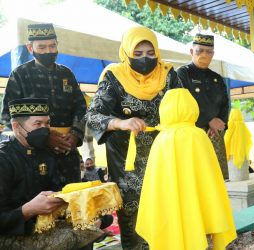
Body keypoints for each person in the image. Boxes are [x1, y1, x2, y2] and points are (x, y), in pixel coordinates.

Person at [86, 26, 182, 249]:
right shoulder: (114, 76)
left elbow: (185, 107)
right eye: (137, 54)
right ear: (126, 52)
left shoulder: (169, 75)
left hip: (165, 152)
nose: (145, 59)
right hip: (126, 158)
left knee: (168, 206)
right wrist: (121, 123)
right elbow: (92, 115)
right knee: (133, 212)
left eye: (150, 53)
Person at [135, 89, 237, 250]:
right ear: (192, 107)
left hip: (169, 203)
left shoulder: (161, 139)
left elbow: (155, 185)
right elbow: (210, 179)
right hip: (197, 199)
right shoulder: (198, 135)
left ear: (164, 109)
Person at [0, 23, 86, 188]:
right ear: (30, 48)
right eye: (42, 47)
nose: (48, 51)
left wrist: (75, 135)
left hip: (69, 151)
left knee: (72, 201)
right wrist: (45, 137)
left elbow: (81, 108)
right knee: (43, 205)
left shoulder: (66, 73)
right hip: (34, 155)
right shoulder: (19, 75)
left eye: (52, 46)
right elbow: (8, 117)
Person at [0, 98, 64, 235]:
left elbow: (58, 189)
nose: (45, 130)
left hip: (42, 225)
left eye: (47, 124)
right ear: (16, 126)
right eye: (38, 124)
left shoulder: (47, 153)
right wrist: (28, 210)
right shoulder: (3, 159)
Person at [176, 33, 230, 180]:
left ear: (213, 54)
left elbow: (225, 104)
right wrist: (208, 120)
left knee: (215, 177)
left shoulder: (217, 78)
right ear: (192, 51)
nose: (204, 55)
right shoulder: (182, 73)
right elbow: (183, 103)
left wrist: (219, 124)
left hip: (214, 135)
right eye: (200, 51)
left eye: (209, 52)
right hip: (193, 133)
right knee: (196, 176)